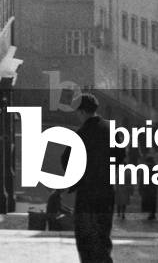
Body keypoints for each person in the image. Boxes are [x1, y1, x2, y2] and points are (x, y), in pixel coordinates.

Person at [61, 94, 125, 262]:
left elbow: (66, 161)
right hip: (106, 192)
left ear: (82, 112)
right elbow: (120, 156)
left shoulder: (81, 134)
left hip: (87, 193)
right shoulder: (111, 130)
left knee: (85, 237)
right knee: (103, 235)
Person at [138, 151, 158, 220]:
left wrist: (140, 187)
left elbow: (142, 179)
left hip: (147, 187)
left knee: (148, 200)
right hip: (153, 187)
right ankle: (152, 213)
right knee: (152, 200)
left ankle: (151, 213)